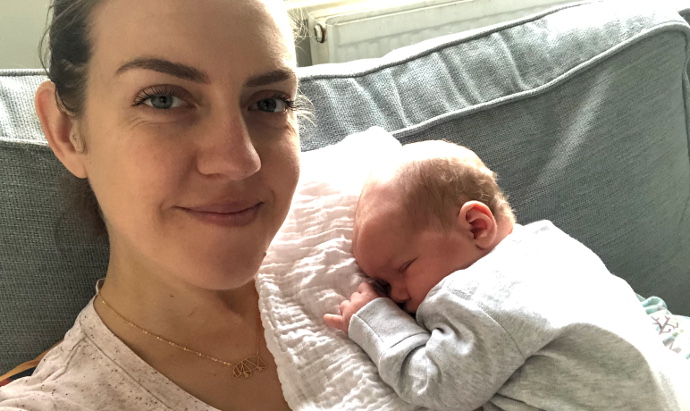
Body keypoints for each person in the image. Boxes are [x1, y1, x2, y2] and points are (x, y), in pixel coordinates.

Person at [0, 0, 303, 409]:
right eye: (162, 100)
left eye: (270, 103)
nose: (238, 161)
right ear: (67, 131)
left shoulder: (387, 264)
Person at [323, 140, 689, 410]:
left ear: (477, 226)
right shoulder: (550, 244)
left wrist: (373, 319)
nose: (396, 296)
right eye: (384, 286)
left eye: (403, 268)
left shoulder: (478, 295)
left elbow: (437, 386)